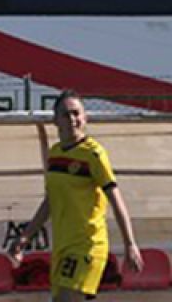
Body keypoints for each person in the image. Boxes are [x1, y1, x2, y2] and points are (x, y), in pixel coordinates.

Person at [11, 90, 143, 301]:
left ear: (85, 117)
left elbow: (115, 197)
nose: (72, 119)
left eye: (76, 113)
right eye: (66, 114)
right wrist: (26, 236)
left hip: (87, 245)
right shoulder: (55, 154)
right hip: (63, 246)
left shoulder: (93, 154)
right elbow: (50, 201)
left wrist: (130, 244)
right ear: (56, 120)